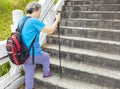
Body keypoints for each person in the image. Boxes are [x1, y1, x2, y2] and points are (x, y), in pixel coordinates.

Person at [18, 1, 61, 89]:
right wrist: (57, 20)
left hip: (24, 54)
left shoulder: (22, 20)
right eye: (40, 11)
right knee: (46, 57)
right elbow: (50, 30)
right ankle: (46, 73)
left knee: (29, 74)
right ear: (35, 10)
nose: (40, 14)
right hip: (34, 54)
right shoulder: (33, 21)